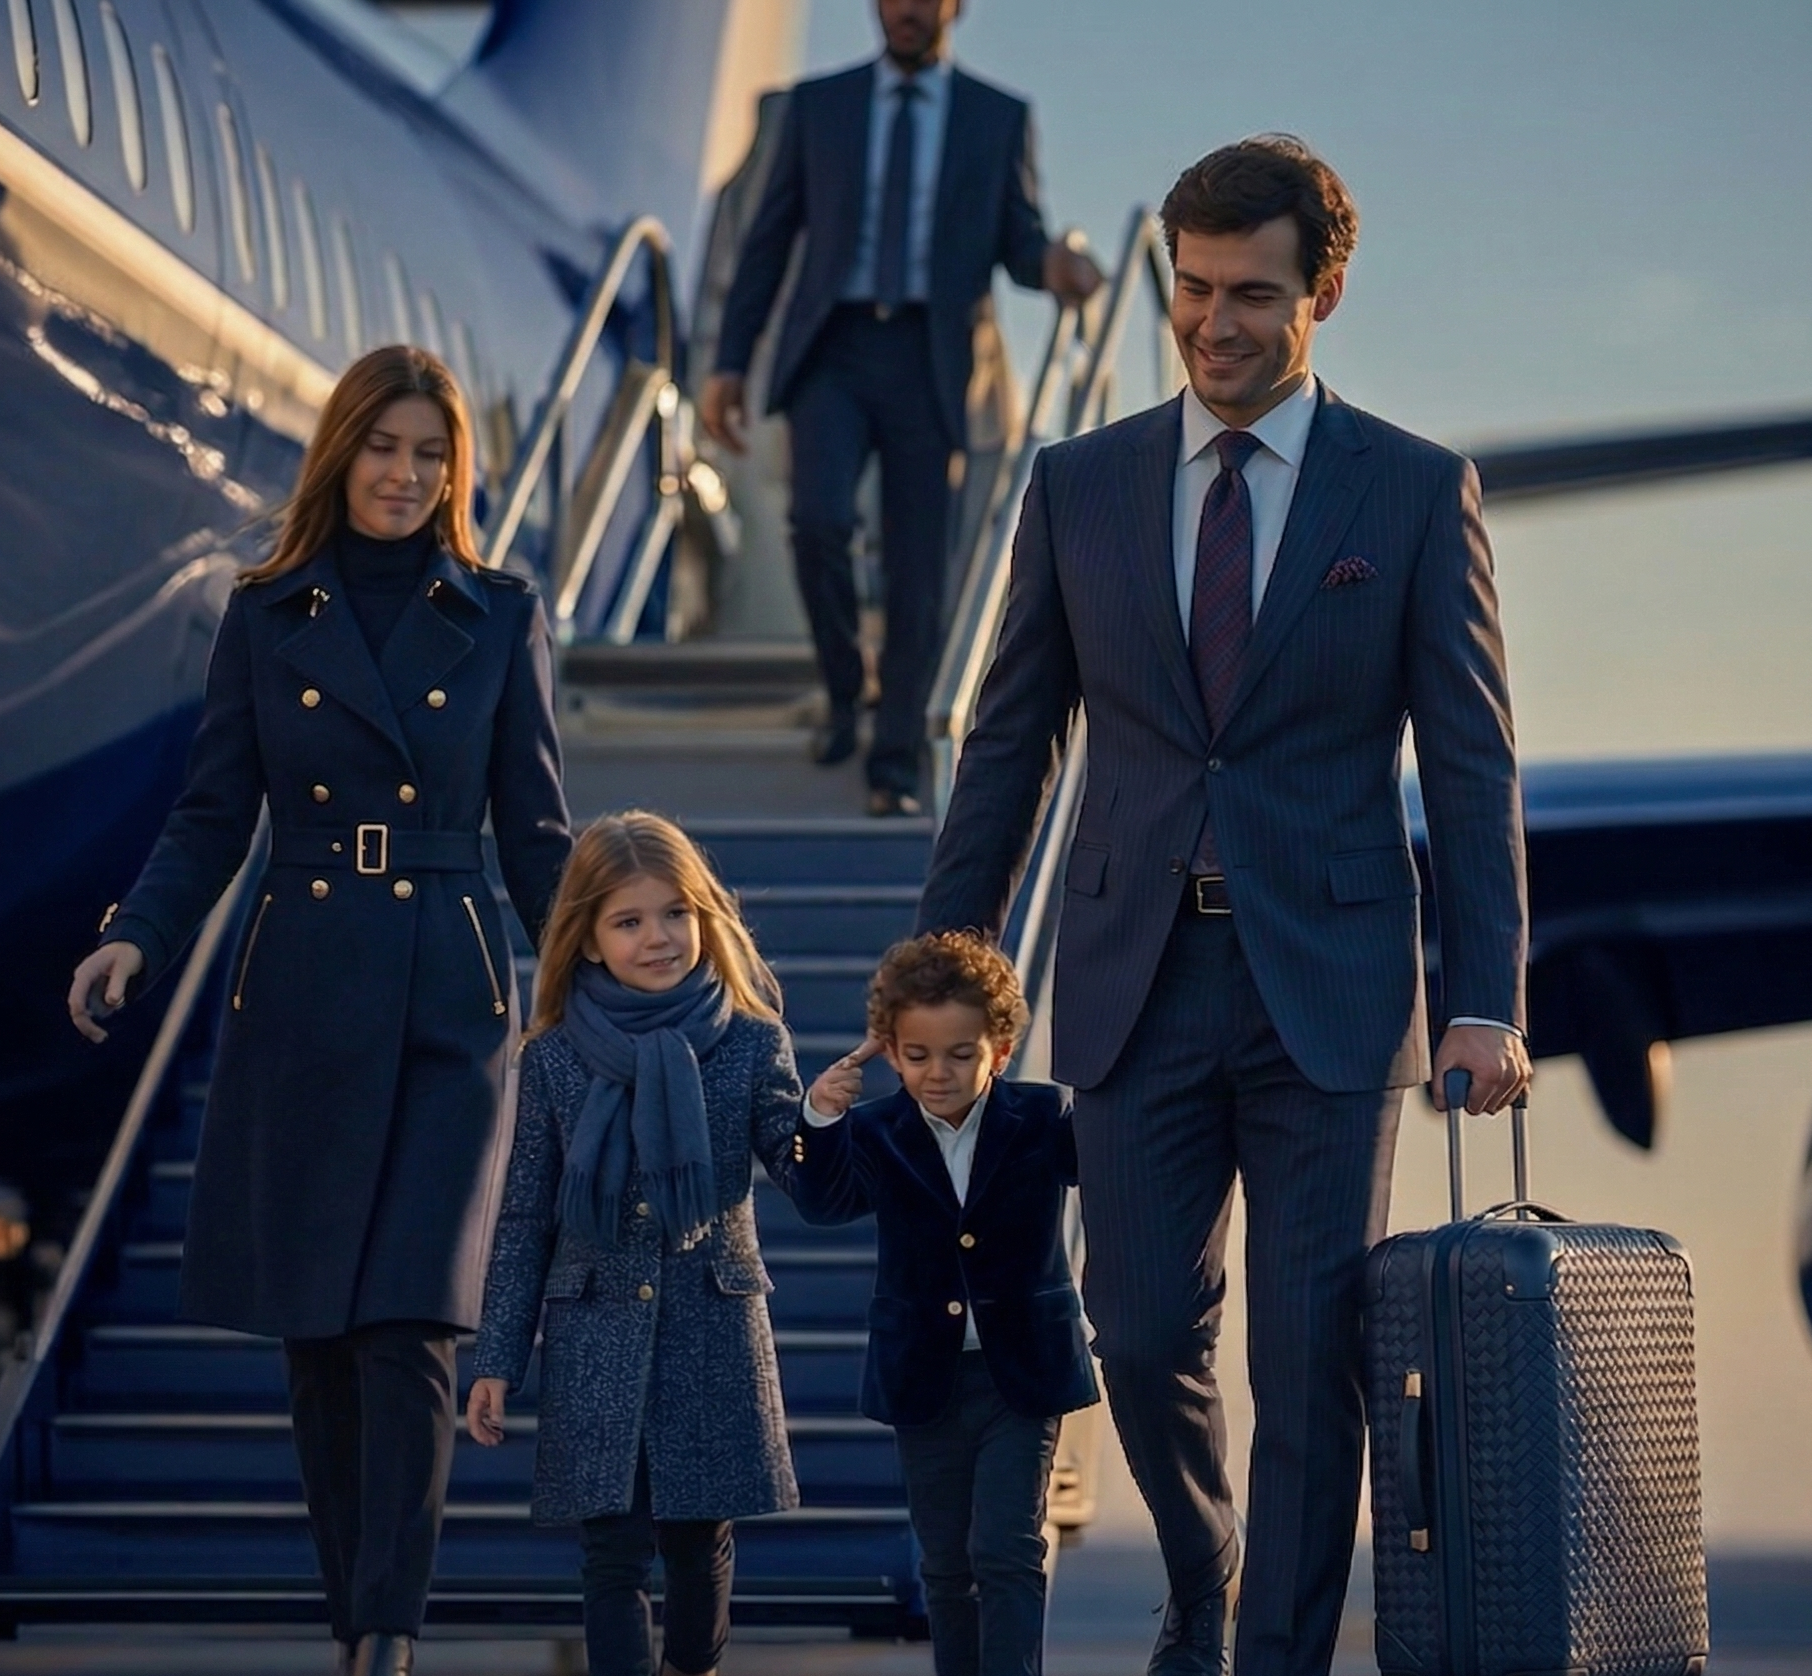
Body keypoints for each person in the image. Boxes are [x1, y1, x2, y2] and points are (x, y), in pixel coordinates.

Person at [917, 136, 1533, 1676]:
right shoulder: (1079, 488)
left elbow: (1472, 768)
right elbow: (1007, 746)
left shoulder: (1409, 491)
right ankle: (1207, 1577)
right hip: (1132, 977)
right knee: (1134, 1333)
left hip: (1329, 988)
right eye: (1191, 292)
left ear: (1322, 292)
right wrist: (944, 976)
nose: (1215, 325)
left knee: (1310, 1358)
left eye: (1253, 294)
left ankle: (1274, 1658)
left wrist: (1486, 998)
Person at [65, 345, 572, 1676]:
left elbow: (539, 834)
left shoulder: (503, 614)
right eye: (384, 447)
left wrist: (607, 985)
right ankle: (357, 1609)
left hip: (450, 1000)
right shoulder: (266, 612)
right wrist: (136, 934)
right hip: (301, 983)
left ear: (456, 473)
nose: (405, 476)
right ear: (340, 450)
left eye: (431, 455)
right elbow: (214, 811)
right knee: (320, 1336)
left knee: (410, 1320)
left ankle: (384, 1640)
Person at [699, 0, 1104, 817]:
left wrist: (1055, 265)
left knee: (920, 569)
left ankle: (892, 760)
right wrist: (730, 363)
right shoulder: (820, 106)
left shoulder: (997, 117)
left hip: (930, 357)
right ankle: (847, 689)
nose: (907, 10)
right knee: (817, 523)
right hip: (833, 352)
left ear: (956, 8)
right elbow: (769, 243)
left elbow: (1017, 239)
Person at [465, 812, 804, 1676]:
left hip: (710, 1326)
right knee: (612, 1555)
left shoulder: (752, 1040)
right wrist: (495, 1359)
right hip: (594, 1334)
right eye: (629, 921)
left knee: (699, 1543)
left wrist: (825, 1120)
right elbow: (524, 1217)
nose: (658, 937)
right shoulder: (552, 1059)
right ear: (586, 940)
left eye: (675, 915)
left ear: (705, 918)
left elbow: (801, 1172)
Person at [784, 931, 1097, 1676]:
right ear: (891, 1052)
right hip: (924, 1376)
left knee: (1009, 1547)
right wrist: (820, 1119)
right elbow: (823, 1205)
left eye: (961, 1054)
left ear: (1000, 1046)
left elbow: (1105, 1164)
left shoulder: (1041, 1116)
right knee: (947, 1560)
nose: (938, 1072)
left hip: (1020, 1371)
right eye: (918, 1056)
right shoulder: (875, 1130)